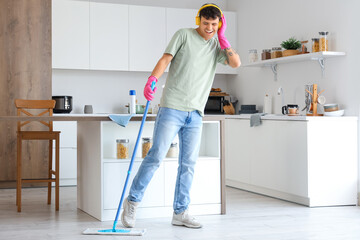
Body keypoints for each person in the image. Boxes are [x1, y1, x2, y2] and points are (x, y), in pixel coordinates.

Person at [121, 3, 241, 229]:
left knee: (188, 164)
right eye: (206, 23)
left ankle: (180, 212)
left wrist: (223, 39)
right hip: (172, 108)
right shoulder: (184, 35)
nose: (209, 28)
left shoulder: (217, 46)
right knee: (156, 156)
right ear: (199, 20)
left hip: (195, 113)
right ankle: (133, 202)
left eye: (214, 25)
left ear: (219, 24)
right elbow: (165, 59)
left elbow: (236, 63)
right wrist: (152, 79)